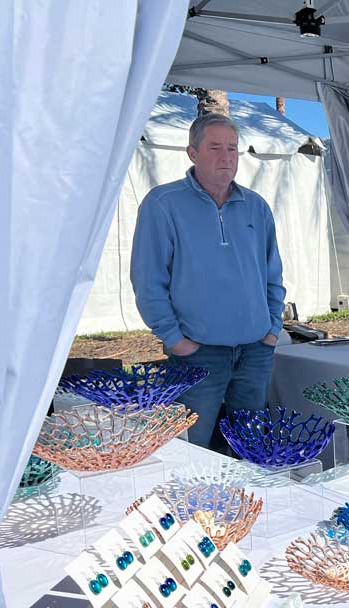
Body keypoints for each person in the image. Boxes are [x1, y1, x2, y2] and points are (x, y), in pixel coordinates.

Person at [130, 112, 286, 448]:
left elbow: (273, 274)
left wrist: (273, 329)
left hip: (255, 352)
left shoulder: (256, 207)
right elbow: (148, 279)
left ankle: (250, 487)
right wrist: (174, 339)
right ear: (192, 153)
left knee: (252, 450)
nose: (226, 157)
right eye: (215, 147)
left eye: (232, 148)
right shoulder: (163, 204)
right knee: (192, 449)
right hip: (198, 354)